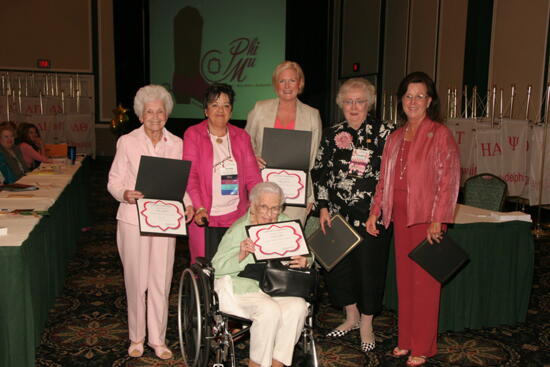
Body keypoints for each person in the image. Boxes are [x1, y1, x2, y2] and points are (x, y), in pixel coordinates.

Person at [366, 72, 461, 367]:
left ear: (430, 100)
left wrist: (438, 219)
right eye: (409, 95)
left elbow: (449, 180)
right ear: (401, 101)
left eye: (420, 96)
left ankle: (423, 346)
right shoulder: (395, 136)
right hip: (400, 215)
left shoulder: (440, 134)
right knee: (405, 282)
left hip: (425, 217)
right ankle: (405, 340)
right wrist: (374, 211)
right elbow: (384, 179)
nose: (414, 101)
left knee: (426, 283)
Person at [107, 85, 194, 360]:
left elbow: (181, 183)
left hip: (164, 222)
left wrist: (189, 204)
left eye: (160, 111)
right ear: (140, 115)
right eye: (149, 112)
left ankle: (157, 340)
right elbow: (113, 182)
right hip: (133, 220)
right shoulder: (127, 142)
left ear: (167, 114)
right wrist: (125, 194)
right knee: (136, 281)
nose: (155, 117)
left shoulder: (177, 144)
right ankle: (137, 337)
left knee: (161, 280)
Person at [311, 78, 394, 353]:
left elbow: (391, 178)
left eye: (360, 101)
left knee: (369, 270)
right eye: (348, 101)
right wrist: (323, 206)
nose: (354, 106)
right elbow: (320, 171)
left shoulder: (386, 133)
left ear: (369, 104)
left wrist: (378, 210)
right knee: (338, 268)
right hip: (336, 215)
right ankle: (351, 316)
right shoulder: (332, 133)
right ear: (341, 104)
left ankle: (367, 322)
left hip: (372, 217)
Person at [212, 182, 309, 367]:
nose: (269, 213)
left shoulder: (285, 222)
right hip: (241, 287)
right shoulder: (239, 228)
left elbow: (306, 252)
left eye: (275, 208)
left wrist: (305, 259)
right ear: (253, 206)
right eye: (264, 207)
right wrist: (240, 255)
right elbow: (216, 266)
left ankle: (277, 364)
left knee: (298, 307)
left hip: (276, 286)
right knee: (268, 311)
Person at [183, 83, 261, 263]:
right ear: (206, 110)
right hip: (204, 216)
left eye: (226, 105)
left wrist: (259, 204)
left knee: (232, 265)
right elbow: (191, 176)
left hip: (236, 216)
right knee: (204, 267)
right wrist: (199, 207)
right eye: (214, 104)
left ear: (231, 111)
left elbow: (252, 177)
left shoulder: (242, 137)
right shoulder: (193, 134)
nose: (220, 110)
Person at [245, 61, 322, 224]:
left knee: (289, 240)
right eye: (282, 81)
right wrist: (253, 158)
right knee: (262, 241)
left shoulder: (312, 115)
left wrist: (309, 196)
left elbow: (313, 159)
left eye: (292, 80)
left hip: (296, 194)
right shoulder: (260, 109)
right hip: (263, 188)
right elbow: (245, 143)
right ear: (275, 84)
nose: (287, 86)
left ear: (300, 83)